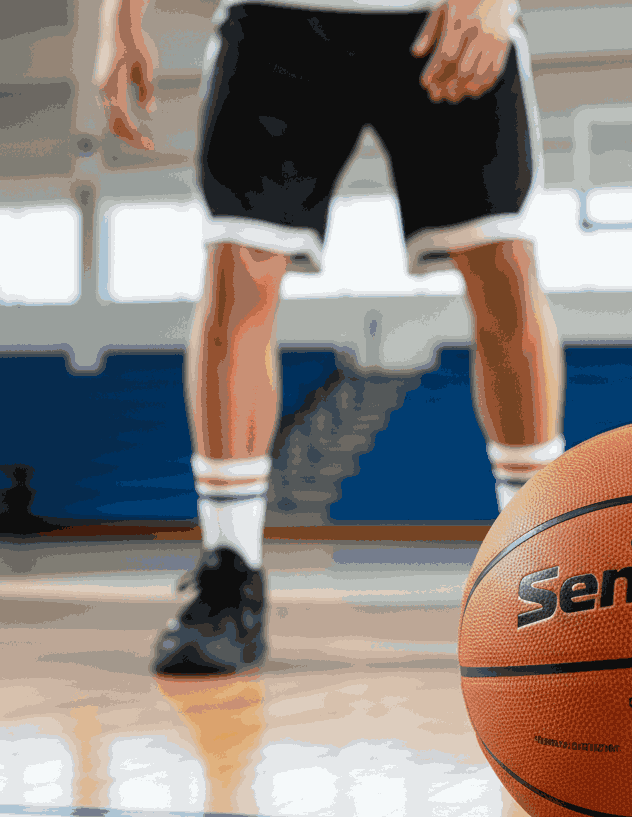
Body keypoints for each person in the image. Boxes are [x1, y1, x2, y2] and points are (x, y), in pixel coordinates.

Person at [96, 0, 565, 676]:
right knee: (239, 267)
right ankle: (230, 570)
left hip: (442, 13)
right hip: (275, 20)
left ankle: (541, 566)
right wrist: (119, 20)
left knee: (504, 267)